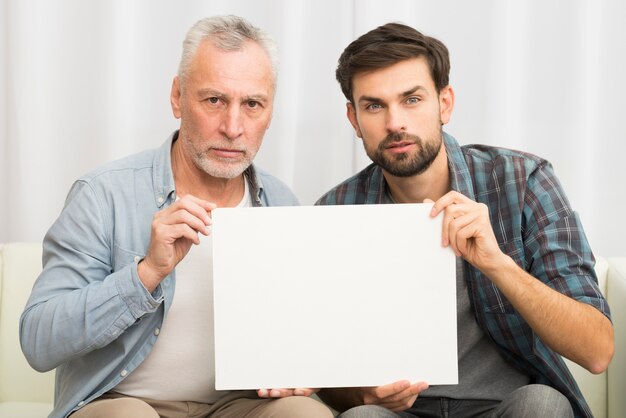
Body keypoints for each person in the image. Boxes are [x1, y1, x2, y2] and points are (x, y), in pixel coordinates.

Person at [20, 15, 333, 418]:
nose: (233, 127)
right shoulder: (102, 194)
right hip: (124, 403)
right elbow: (37, 341)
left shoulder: (281, 202)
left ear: (270, 111)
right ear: (177, 97)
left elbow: (302, 333)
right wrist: (146, 273)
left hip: (237, 406)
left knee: (305, 413)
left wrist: (304, 369)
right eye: (214, 100)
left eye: (252, 104)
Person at [315, 22, 614, 418]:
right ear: (354, 120)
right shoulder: (334, 212)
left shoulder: (523, 180)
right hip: (402, 413)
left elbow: (597, 350)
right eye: (374, 106)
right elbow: (326, 376)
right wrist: (365, 395)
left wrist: (497, 263)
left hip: (507, 407)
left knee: (542, 404)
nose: (394, 123)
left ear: (445, 104)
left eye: (412, 99)